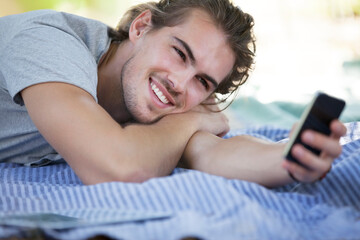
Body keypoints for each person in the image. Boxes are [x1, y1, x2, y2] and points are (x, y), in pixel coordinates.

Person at [0, 0, 346, 187]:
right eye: (180, 53)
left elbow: (212, 154)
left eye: (203, 82)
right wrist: (192, 119)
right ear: (140, 27)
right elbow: (116, 167)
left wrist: (287, 158)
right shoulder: (48, 42)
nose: (181, 84)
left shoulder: (167, 101)